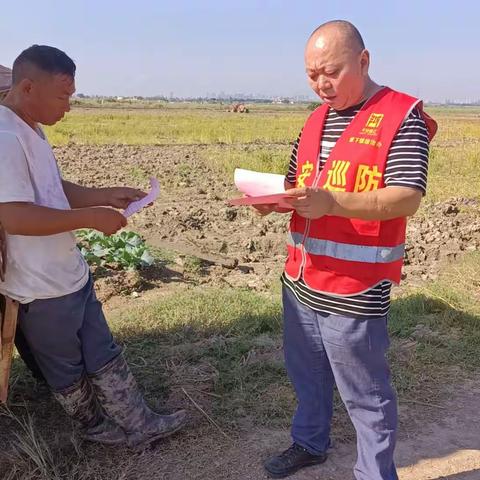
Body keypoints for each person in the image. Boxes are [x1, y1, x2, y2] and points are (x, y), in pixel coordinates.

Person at [257, 21, 437, 479]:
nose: (321, 84)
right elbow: (301, 184)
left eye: (331, 72)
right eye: (312, 74)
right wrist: (276, 200)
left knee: (365, 393)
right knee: (307, 376)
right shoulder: (315, 119)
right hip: (301, 277)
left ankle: (375, 472)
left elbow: (407, 195)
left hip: (355, 286)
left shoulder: (401, 114)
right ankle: (309, 443)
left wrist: (332, 202)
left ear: (363, 60)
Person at [0, 45, 187, 448]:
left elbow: (53, 189)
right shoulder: (4, 138)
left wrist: (104, 196)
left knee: (102, 350)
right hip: (39, 288)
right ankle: (98, 430)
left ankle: (140, 424)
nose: (68, 106)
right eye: (63, 96)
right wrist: (89, 219)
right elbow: (14, 216)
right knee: (65, 368)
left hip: (69, 273)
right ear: (29, 87)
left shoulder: (31, 127)